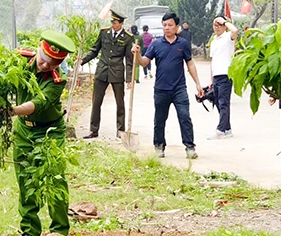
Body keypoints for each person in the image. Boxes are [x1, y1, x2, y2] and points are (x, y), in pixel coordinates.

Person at [11, 30, 77, 236]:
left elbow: (37, 105)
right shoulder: (20, 60)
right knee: (25, 178)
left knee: (54, 177)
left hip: (49, 130)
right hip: (23, 129)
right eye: (45, 59)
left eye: (53, 63)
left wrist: (10, 111)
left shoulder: (58, 80)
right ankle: (29, 231)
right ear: (39, 49)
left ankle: (59, 232)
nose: (46, 65)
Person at [133, 12, 203, 160]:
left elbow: (190, 63)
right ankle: (159, 146)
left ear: (176, 27)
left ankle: (190, 147)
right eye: (164, 25)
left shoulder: (182, 44)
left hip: (179, 89)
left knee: (184, 117)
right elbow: (144, 62)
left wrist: (198, 84)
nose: (166, 28)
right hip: (161, 89)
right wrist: (137, 54)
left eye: (170, 25)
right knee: (159, 119)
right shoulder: (156, 43)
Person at [80, 9, 134, 140]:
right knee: (96, 102)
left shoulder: (128, 38)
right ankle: (93, 130)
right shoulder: (104, 33)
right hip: (102, 71)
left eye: (115, 22)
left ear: (121, 23)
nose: (113, 25)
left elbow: (129, 61)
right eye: (112, 22)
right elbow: (94, 50)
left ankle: (120, 131)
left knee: (120, 103)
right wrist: (82, 60)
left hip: (117, 72)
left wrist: (129, 79)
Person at [207, 16, 238, 140]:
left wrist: (224, 21)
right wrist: (211, 79)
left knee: (223, 103)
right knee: (219, 103)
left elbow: (235, 31)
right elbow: (212, 60)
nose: (217, 27)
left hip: (226, 74)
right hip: (217, 75)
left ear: (224, 26)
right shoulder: (214, 40)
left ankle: (220, 130)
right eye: (215, 24)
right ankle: (227, 129)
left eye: (219, 24)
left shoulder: (228, 37)